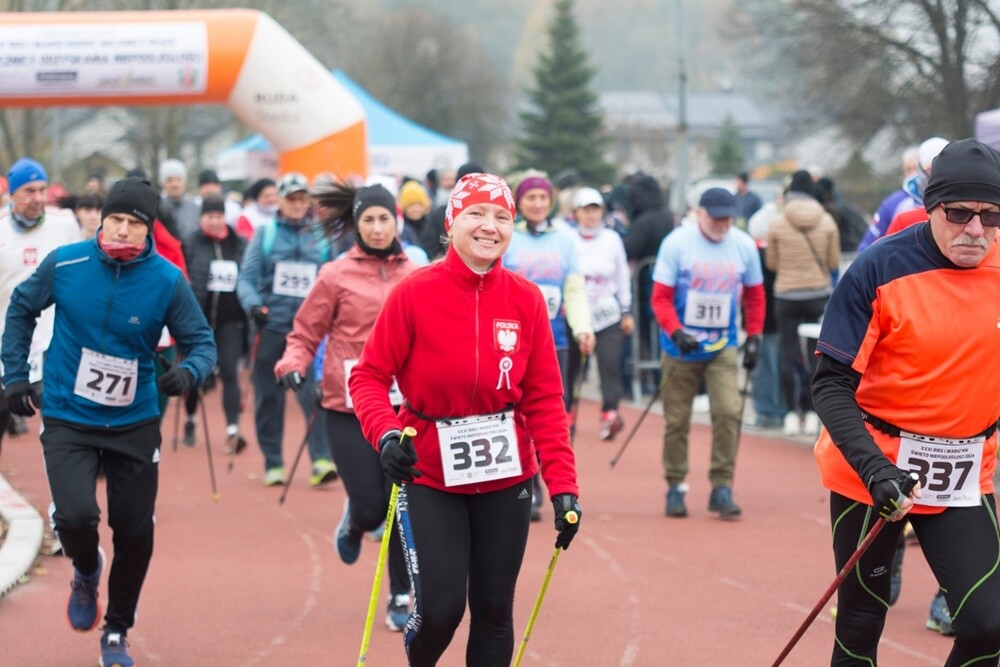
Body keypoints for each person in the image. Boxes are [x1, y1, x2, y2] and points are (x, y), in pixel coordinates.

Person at [348, 172, 581, 666]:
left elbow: (544, 399)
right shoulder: (414, 293)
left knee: (495, 610)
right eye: (476, 213)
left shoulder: (526, 299)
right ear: (453, 220)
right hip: (430, 471)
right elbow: (367, 378)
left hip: (506, 473)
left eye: (502, 217)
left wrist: (563, 485)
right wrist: (387, 435)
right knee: (441, 612)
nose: (489, 226)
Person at [1, 176, 216, 667]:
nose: (122, 230)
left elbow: (203, 343)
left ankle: (117, 629)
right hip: (67, 413)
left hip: (134, 420)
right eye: (115, 220)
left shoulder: (166, 280)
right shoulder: (68, 263)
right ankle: (84, 570)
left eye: (133, 223)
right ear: (102, 221)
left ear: (147, 230)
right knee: (76, 517)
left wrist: (189, 372)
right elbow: (20, 309)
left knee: (135, 532)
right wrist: (14, 374)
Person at [812, 138, 1000, 666]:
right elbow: (829, 383)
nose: (975, 229)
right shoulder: (878, 269)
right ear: (930, 206)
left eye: (991, 216)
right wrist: (874, 469)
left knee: (990, 625)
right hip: (872, 470)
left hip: (963, 469)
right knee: (861, 624)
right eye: (959, 212)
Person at [274, 180, 417, 632]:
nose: (377, 228)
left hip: (402, 407)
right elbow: (304, 334)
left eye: (384, 218)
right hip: (346, 404)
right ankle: (355, 520)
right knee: (374, 507)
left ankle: (400, 593)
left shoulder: (417, 273)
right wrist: (292, 364)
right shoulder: (334, 274)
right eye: (368, 219)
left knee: (401, 502)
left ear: (397, 220)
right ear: (356, 224)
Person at [651, 187, 765, 519]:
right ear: (700, 214)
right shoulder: (676, 243)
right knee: (677, 420)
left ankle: (721, 486)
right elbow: (659, 297)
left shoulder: (743, 245)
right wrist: (675, 330)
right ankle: (675, 486)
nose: (722, 223)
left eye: (728, 216)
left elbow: (755, 296)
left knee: (729, 411)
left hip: (722, 345)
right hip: (680, 348)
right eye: (715, 216)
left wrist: (754, 336)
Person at [236, 171, 337, 487]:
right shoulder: (264, 235)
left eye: (301, 198)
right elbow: (246, 279)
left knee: (314, 395)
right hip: (271, 327)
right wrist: (253, 306)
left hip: (308, 333)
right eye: (291, 198)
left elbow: (332, 280)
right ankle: (273, 463)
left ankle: (321, 460)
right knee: (269, 398)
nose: (296, 204)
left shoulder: (320, 236)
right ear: (279, 201)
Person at [503, 172, 594, 520]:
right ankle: (531, 487)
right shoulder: (509, 236)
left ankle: (551, 479)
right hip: (512, 343)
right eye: (531, 198)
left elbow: (574, 289)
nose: (538, 204)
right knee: (520, 413)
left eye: (543, 198)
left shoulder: (566, 240)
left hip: (556, 340)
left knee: (556, 409)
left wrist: (583, 328)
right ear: (520, 203)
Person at [0, 157, 82, 455]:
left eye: (42, 189)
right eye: (29, 191)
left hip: (53, 344)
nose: (37, 198)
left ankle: (62, 500)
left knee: (60, 431)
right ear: (12, 194)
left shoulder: (65, 225)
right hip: (7, 345)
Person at [765, 170, 840, 436]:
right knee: (815, 357)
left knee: (787, 354)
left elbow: (771, 263)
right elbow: (832, 262)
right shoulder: (828, 221)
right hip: (818, 295)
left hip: (786, 295)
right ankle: (810, 413)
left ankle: (788, 413)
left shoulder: (777, 222)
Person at [180, 195, 248, 454]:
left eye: (219, 216)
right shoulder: (191, 242)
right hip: (200, 322)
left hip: (231, 322)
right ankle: (190, 418)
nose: (215, 221)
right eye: (209, 216)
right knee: (197, 374)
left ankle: (232, 428)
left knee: (230, 371)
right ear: (201, 218)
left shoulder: (239, 243)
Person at [569, 186, 634, 440]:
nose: (591, 215)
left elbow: (622, 276)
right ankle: (566, 413)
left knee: (609, 365)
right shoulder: (568, 239)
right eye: (586, 210)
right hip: (575, 314)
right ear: (576, 213)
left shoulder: (612, 239)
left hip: (607, 313)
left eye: (595, 209)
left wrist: (626, 310)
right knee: (570, 367)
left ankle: (610, 413)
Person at [856, 145, 919, 252]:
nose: (913, 174)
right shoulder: (893, 203)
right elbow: (868, 244)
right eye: (908, 170)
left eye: (916, 168)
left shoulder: (940, 199)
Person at [158, 158, 200, 241]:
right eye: (169, 180)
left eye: (178, 179)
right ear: (163, 183)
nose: (174, 184)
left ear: (184, 182)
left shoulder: (195, 209)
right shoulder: (157, 208)